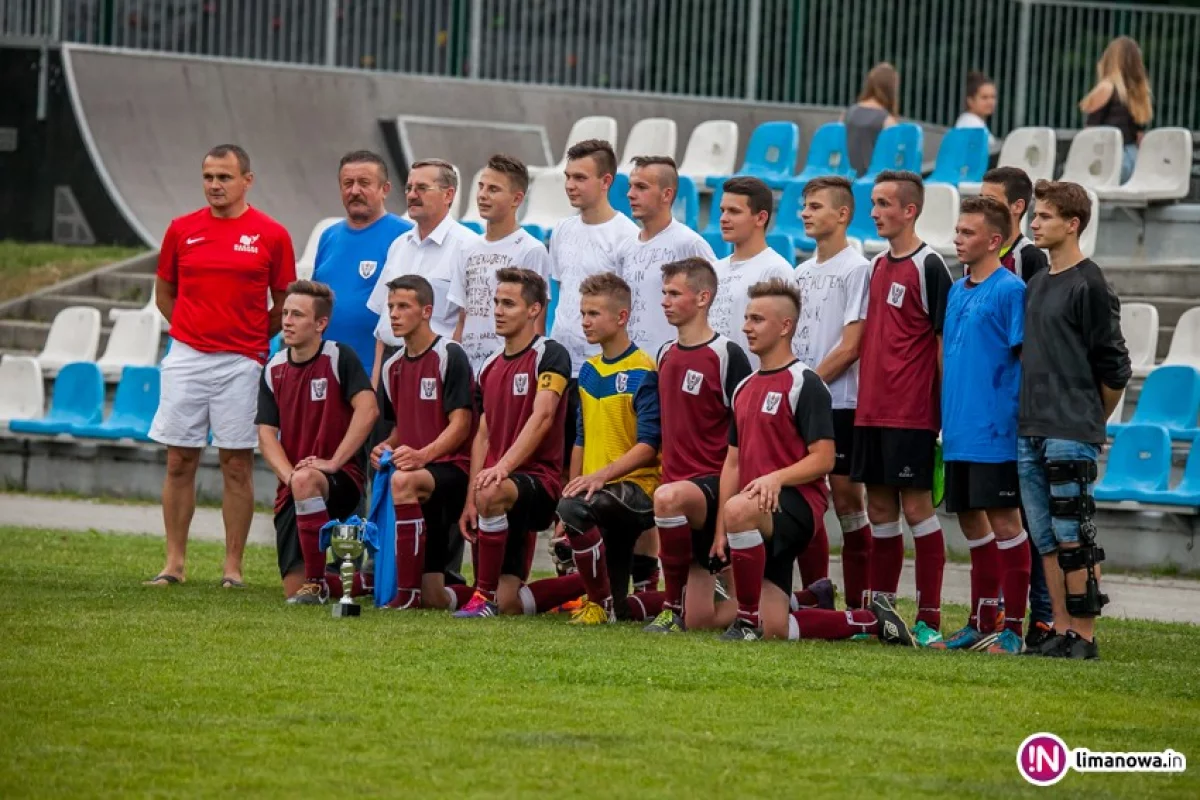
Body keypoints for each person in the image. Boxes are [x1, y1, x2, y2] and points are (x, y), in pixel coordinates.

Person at [714, 278, 913, 649]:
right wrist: (719, 532)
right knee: (769, 626)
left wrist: (775, 479)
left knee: (740, 510)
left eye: (757, 319)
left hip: (796, 508)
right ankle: (870, 620)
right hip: (754, 512)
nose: (746, 327)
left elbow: (823, 459)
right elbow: (732, 463)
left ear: (785, 326)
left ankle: (746, 622)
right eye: (746, 318)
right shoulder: (743, 388)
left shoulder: (804, 383)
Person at [147, 143, 296, 588]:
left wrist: (250, 336)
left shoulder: (271, 234)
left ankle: (233, 568)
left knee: (236, 463)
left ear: (247, 180)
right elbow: (164, 294)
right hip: (187, 357)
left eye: (225, 177)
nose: (215, 185)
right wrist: (193, 333)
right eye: (209, 177)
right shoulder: (181, 229)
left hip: (242, 360)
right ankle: (174, 564)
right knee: (178, 460)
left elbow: (285, 302)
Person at [1019, 180, 1131, 660]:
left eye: (1044, 216)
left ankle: (1083, 636)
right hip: (1031, 427)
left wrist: (1089, 418)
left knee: (1075, 537)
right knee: (1045, 539)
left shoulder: (1091, 284)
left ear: (1073, 224)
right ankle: (1059, 629)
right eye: (1035, 215)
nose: (1034, 224)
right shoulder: (1038, 281)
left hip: (1069, 431)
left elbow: (1114, 368)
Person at [852, 170, 954, 647]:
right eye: (873, 203)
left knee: (916, 509)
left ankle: (929, 619)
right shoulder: (876, 265)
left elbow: (940, 344)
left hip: (911, 412)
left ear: (909, 210)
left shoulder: (930, 265)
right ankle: (883, 616)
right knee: (879, 510)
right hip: (871, 410)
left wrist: (940, 411)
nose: (875, 212)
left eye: (884, 204)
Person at [937, 197, 1029, 655]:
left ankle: (1013, 628)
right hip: (957, 428)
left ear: (994, 240)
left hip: (994, 430)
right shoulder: (956, 290)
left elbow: (1024, 359)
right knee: (972, 523)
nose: (958, 239)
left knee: (1006, 522)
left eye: (967, 233)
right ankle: (981, 619)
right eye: (956, 231)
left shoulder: (1011, 291)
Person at [547, 272, 664, 624]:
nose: (585, 321)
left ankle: (601, 605)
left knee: (578, 508)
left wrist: (597, 479)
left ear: (621, 317)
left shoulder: (644, 369)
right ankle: (661, 600)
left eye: (594, 313)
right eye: (583, 313)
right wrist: (576, 483)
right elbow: (581, 438)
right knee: (627, 607)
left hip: (637, 491)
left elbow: (649, 446)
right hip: (598, 490)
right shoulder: (588, 371)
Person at [455, 268, 572, 618]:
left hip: (539, 481)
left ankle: (483, 600)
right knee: (513, 604)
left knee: (492, 491)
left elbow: (544, 417)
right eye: (496, 302)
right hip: (498, 486)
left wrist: (502, 468)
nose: (498, 310)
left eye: (509, 303)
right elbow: (483, 434)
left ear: (534, 310)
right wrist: (469, 498)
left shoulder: (550, 354)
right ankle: (598, 581)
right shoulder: (488, 365)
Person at [643, 257, 751, 634]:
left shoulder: (726, 355)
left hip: (709, 488)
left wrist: (726, 519)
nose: (665, 301)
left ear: (703, 298)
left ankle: (669, 608)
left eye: (675, 293)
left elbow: (745, 437)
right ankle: (782, 603)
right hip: (675, 493)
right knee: (703, 621)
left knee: (668, 498)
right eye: (664, 293)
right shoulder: (664, 354)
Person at [256, 281, 378, 602]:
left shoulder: (340, 357)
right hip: (295, 485)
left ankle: (315, 582)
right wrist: (289, 476)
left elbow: (368, 409)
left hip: (340, 481)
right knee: (291, 592)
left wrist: (335, 462)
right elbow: (266, 434)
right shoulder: (274, 367)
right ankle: (359, 585)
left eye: (297, 315)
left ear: (320, 323)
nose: (287, 321)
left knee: (309, 479)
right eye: (285, 313)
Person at [979, 165, 1054, 647]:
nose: (981, 206)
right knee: (1002, 515)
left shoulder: (1028, 261)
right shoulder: (981, 258)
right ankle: (1004, 610)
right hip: (987, 412)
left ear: (1017, 208)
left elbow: (1032, 340)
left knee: (1030, 516)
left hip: (1021, 411)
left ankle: (1043, 616)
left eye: (991, 199)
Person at [791, 176, 873, 609]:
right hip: (803, 400)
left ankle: (861, 606)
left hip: (839, 402)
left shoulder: (857, 268)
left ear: (842, 215)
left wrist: (806, 386)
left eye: (816, 206)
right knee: (807, 496)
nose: (806, 212)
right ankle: (817, 596)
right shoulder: (800, 272)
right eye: (805, 206)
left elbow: (852, 345)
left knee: (846, 500)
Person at [372, 275, 477, 611]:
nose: (394, 314)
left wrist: (421, 456)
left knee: (402, 480)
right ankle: (476, 595)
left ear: (427, 311)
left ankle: (405, 596)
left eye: (404, 306)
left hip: (454, 470)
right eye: (391, 307)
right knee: (436, 598)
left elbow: (461, 425)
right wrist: (385, 447)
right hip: (420, 472)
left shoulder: (450, 354)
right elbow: (403, 427)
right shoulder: (392, 367)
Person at [549, 139, 640, 466]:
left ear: (606, 181)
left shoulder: (626, 236)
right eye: (568, 176)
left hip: (601, 369)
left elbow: (628, 307)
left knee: (593, 461)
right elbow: (560, 291)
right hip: (560, 365)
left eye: (580, 178)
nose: (570, 185)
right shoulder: (561, 230)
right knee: (556, 459)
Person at [367, 158, 479, 384]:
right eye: (409, 188)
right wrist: (376, 380)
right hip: (392, 363)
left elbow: (465, 321)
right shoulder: (399, 245)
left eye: (422, 188)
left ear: (448, 195)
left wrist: (450, 376)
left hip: (436, 366)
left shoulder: (468, 247)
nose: (411, 195)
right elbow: (383, 323)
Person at [449, 153, 552, 375]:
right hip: (468, 371)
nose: (483, 195)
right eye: (481, 187)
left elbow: (537, 322)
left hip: (508, 372)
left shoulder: (530, 249)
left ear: (516, 199)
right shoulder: (466, 248)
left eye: (493, 189)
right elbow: (462, 318)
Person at [312, 150, 411, 377]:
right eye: (348, 183)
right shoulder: (329, 236)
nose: (354, 191)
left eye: (364, 183)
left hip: (378, 373)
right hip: (325, 370)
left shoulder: (405, 236)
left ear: (384, 189)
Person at [618, 155, 717, 359]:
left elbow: (714, 303)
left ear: (666, 195)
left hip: (672, 364)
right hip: (631, 365)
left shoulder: (689, 244)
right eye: (630, 186)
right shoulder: (625, 248)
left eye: (641, 187)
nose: (630, 194)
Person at [709, 176, 796, 369]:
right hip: (711, 383)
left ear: (761, 217)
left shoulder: (776, 270)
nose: (724, 218)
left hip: (752, 384)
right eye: (722, 210)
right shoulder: (714, 269)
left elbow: (784, 340)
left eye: (734, 211)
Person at [1080, 35, 1153, 183]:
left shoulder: (1106, 88)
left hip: (1110, 159)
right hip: (1133, 159)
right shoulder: (1138, 93)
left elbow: (1090, 134)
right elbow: (1139, 137)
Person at [845, 62, 899, 177]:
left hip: (844, 177)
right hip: (873, 181)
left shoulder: (848, 113)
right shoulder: (888, 121)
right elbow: (893, 159)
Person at [954, 71, 998, 149]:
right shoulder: (972, 125)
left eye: (993, 97)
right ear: (970, 101)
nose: (990, 102)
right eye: (984, 97)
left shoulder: (972, 122)